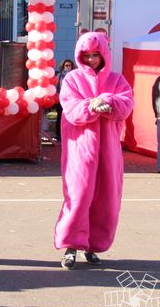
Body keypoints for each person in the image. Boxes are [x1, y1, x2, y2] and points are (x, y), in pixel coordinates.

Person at [56, 32, 134, 269]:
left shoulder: (117, 79)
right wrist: (91, 105)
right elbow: (70, 109)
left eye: (95, 55)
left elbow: (126, 105)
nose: (91, 60)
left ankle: (93, 245)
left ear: (104, 55)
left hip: (109, 151)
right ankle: (70, 245)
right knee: (78, 196)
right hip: (80, 150)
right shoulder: (72, 79)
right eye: (87, 55)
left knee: (107, 198)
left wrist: (108, 101)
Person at [53, 58, 75, 140]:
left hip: (71, 100)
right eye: (66, 65)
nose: (68, 67)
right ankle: (58, 134)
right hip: (61, 99)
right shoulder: (59, 75)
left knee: (71, 117)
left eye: (70, 65)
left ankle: (69, 134)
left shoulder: (74, 75)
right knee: (60, 117)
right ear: (63, 66)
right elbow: (56, 87)